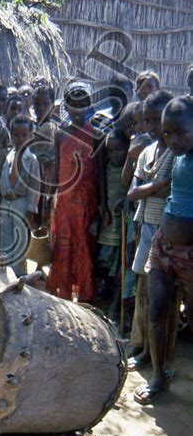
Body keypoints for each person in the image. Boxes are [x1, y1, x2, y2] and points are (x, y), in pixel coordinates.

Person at [134, 96, 193, 404]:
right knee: (157, 310)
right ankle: (158, 378)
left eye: (180, 132)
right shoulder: (177, 156)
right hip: (164, 245)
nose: (172, 139)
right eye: (167, 133)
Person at [46, 82, 107, 302]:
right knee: (63, 245)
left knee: (84, 245)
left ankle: (84, 296)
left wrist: (103, 205)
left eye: (83, 104)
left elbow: (100, 172)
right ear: (67, 106)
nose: (78, 110)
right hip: (64, 201)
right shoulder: (60, 134)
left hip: (87, 202)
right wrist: (48, 197)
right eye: (74, 104)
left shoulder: (97, 135)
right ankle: (62, 294)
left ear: (89, 105)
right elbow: (56, 170)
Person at [127, 89, 175, 367]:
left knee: (161, 297)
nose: (152, 127)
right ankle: (140, 344)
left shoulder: (177, 152)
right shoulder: (147, 151)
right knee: (143, 290)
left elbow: (172, 191)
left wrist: (151, 187)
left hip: (166, 230)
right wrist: (158, 185)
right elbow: (132, 192)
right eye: (147, 121)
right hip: (146, 225)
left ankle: (155, 355)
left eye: (157, 120)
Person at [0, 115, 40, 276]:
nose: (20, 138)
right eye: (16, 135)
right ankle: (6, 276)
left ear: (30, 135)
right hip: (6, 204)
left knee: (19, 243)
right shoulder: (9, 156)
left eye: (24, 135)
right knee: (5, 242)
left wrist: (31, 210)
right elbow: (3, 178)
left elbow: (35, 187)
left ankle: (18, 278)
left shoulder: (32, 160)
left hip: (21, 204)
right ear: (11, 135)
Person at [96, 128, 130, 318]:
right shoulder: (108, 168)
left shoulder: (129, 170)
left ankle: (117, 305)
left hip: (122, 224)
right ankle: (105, 296)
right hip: (108, 223)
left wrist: (123, 203)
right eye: (110, 151)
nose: (114, 154)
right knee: (105, 263)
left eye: (118, 150)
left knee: (120, 267)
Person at [31, 85, 58, 227]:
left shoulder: (57, 130)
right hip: (32, 180)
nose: (41, 108)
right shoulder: (28, 128)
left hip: (49, 180)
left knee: (48, 218)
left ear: (53, 105)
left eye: (45, 104)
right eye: (37, 104)